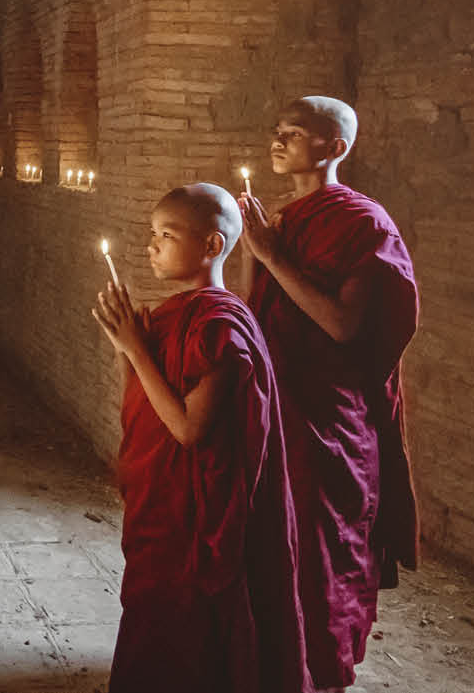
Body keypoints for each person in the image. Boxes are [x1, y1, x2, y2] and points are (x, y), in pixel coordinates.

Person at [93, 184, 308, 693]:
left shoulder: (220, 325)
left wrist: (136, 351)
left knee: (186, 630)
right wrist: (131, 352)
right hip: (165, 506)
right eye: (152, 234)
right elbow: (146, 407)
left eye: (167, 235)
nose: (152, 246)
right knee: (152, 617)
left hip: (199, 518)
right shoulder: (175, 315)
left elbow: (189, 429)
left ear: (212, 246)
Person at [238, 96, 419, 691]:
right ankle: (269, 663)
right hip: (274, 400)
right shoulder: (281, 220)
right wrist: (255, 253)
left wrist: (271, 254)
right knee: (264, 542)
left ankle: (317, 671)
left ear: (335, 147)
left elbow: (342, 324)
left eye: (295, 132)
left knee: (318, 549)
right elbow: (253, 309)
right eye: (278, 128)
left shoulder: (362, 222)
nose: (279, 139)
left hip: (327, 414)